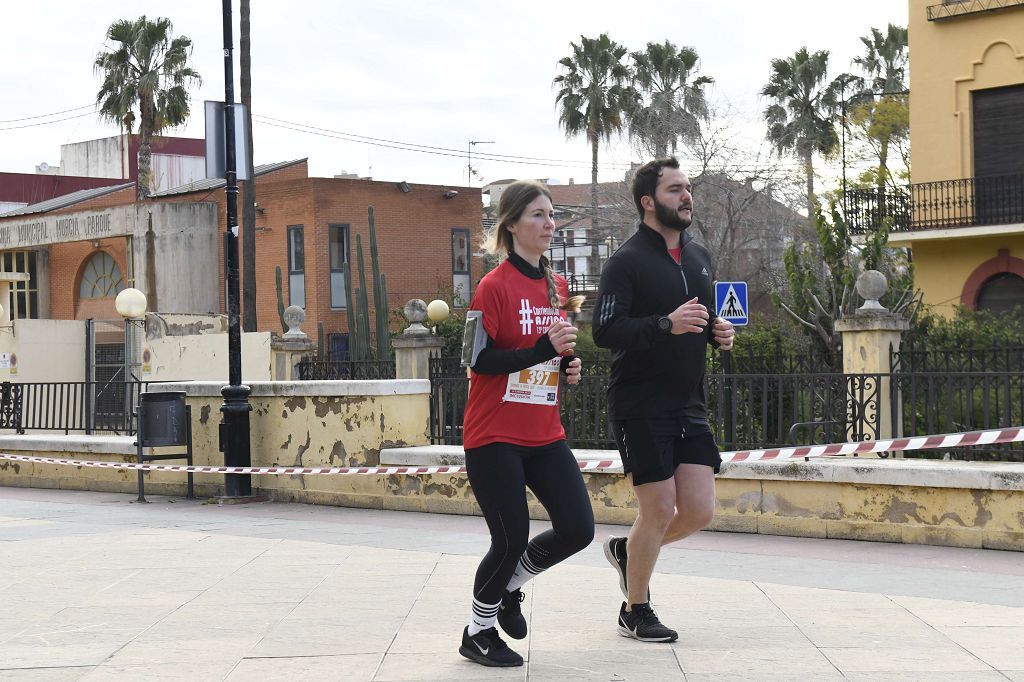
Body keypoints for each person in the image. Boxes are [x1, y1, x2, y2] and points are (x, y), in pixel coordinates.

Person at [593, 157, 735, 643]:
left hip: (689, 402)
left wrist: (718, 332)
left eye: (687, 187)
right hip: (640, 403)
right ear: (648, 202)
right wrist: (663, 324)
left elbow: (703, 316)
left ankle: (627, 552)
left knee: (698, 511)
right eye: (675, 189)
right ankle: (636, 609)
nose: (686, 196)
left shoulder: (699, 256)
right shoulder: (626, 261)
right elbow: (605, 330)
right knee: (657, 509)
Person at [458, 180, 595, 667]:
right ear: (512, 224)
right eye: (538, 214)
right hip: (494, 433)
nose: (549, 223)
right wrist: (540, 350)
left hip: (544, 432)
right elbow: (476, 360)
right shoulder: (492, 287)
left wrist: (567, 367)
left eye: (552, 214)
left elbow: (554, 354)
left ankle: (510, 587)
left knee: (578, 528)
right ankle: (478, 632)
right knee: (510, 537)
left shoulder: (558, 287)